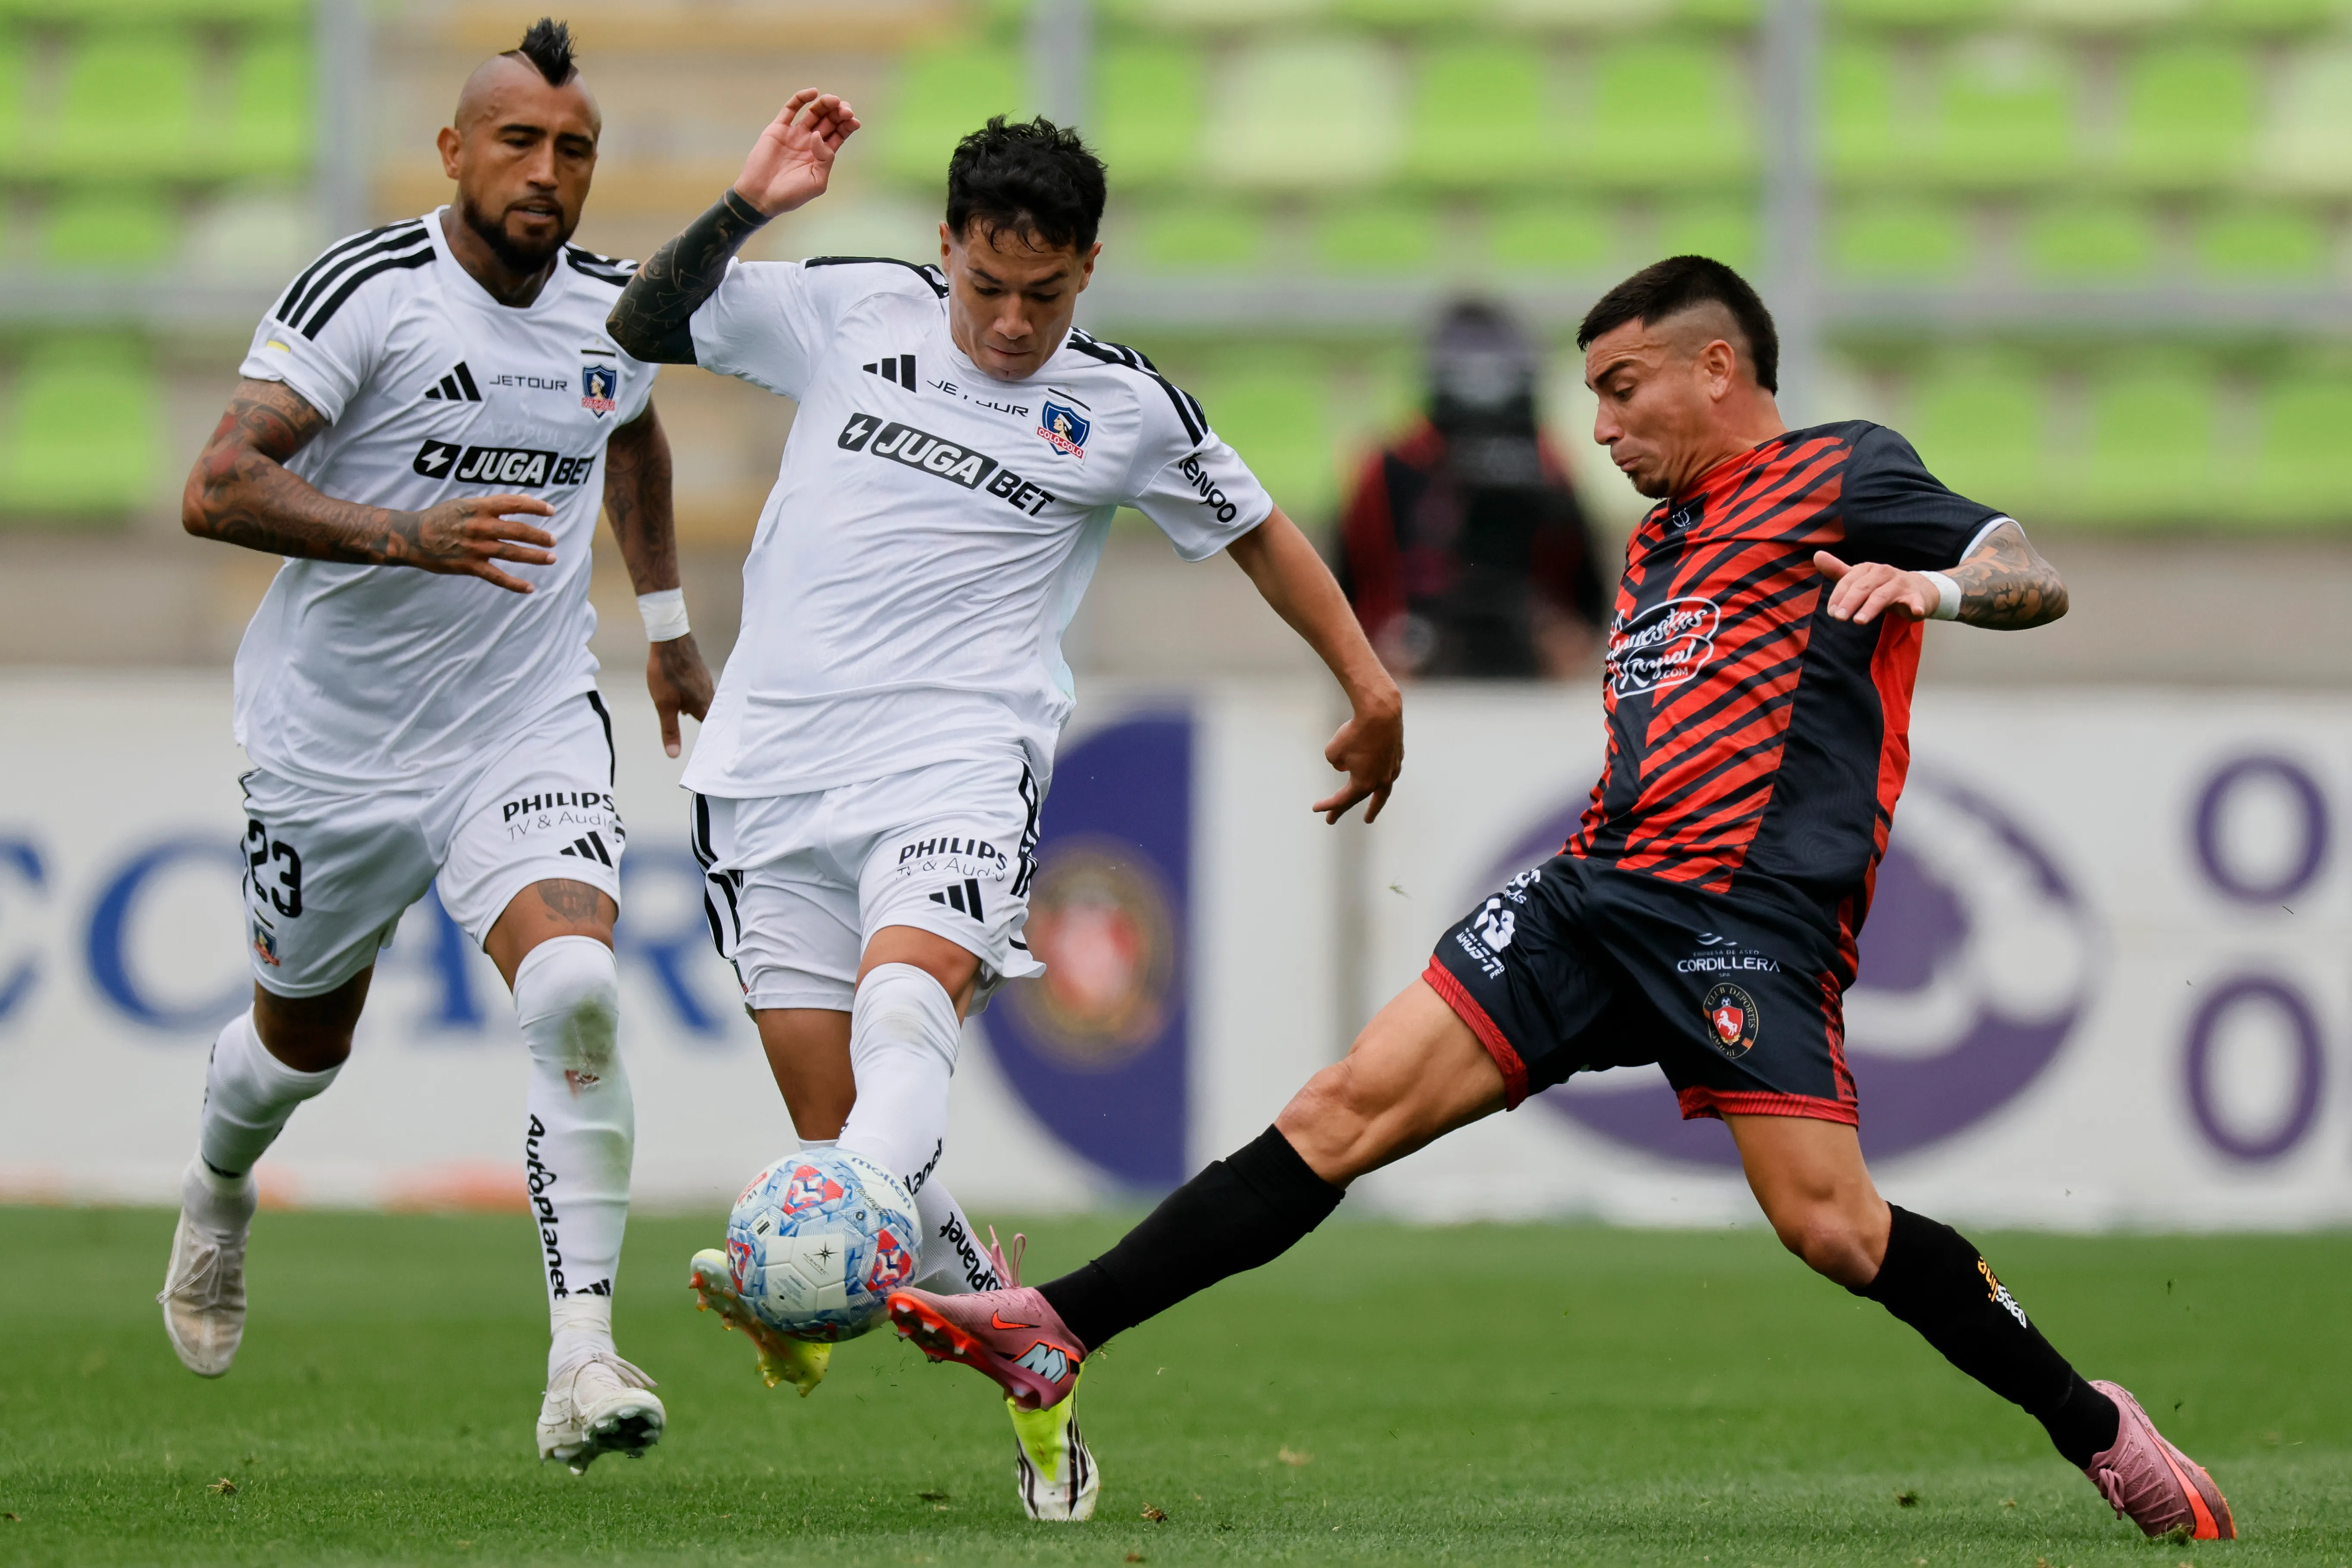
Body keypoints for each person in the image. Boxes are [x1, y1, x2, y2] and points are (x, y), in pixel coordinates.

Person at [885, 255, 2237, 1544]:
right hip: (1589, 899)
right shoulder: (1651, 549)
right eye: (1589, 393)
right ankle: (1057, 1323)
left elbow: (2029, 574)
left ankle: (2093, 1424)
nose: (1594, 426)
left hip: (1747, 925)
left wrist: (1931, 585)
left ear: (1718, 367)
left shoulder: (1841, 469)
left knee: (1831, 1228)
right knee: (1336, 1111)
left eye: (1619, 386)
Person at [605, 107, 1402, 1520]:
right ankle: (1025, 1357)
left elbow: (1260, 532)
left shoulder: (1123, 408)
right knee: (851, 1147)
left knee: (902, 1026)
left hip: (956, 760)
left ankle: (807, 1269)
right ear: (945, 252)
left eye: (1043, 293)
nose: (1011, 321)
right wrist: (744, 202)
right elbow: (642, 324)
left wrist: (1364, 680)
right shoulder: (847, 309)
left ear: (1087, 268)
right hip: (767, 771)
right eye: (986, 286)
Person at [161, 20, 714, 1476]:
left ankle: (580, 1353)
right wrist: (404, 534)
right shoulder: (367, 292)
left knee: (579, 984)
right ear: (454, 151)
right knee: (298, 1049)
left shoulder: (610, 307)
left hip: (519, 722)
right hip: (331, 746)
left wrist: (664, 625)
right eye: (518, 142)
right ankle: (219, 1186)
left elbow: (636, 430)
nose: (545, 173)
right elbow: (216, 485)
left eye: (573, 148)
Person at [1333, 300, 1605, 680]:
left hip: (1529, 675)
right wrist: (1378, 646)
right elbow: (1345, 589)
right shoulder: (1391, 468)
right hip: (1416, 668)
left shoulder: (1545, 465)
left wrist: (1562, 636)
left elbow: (1586, 599)